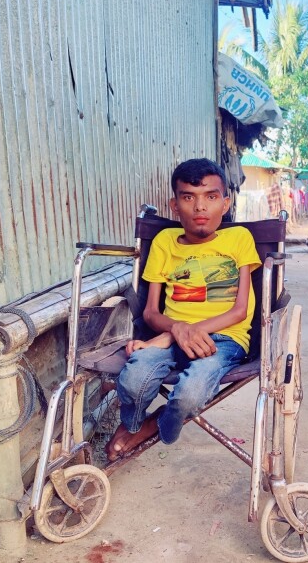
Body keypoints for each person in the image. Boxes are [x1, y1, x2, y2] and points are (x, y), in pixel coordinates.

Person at [106, 158, 261, 461]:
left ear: (225, 203)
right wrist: (174, 331)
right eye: (189, 197)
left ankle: (155, 424)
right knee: (132, 380)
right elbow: (151, 313)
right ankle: (133, 424)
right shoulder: (165, 242)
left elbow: (240, 310)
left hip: (224, 339)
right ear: (174, 205)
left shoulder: (239, 238)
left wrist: (179, 334)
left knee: (189, 395)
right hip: (169, 334)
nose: (200, 207)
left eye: (211, 197)